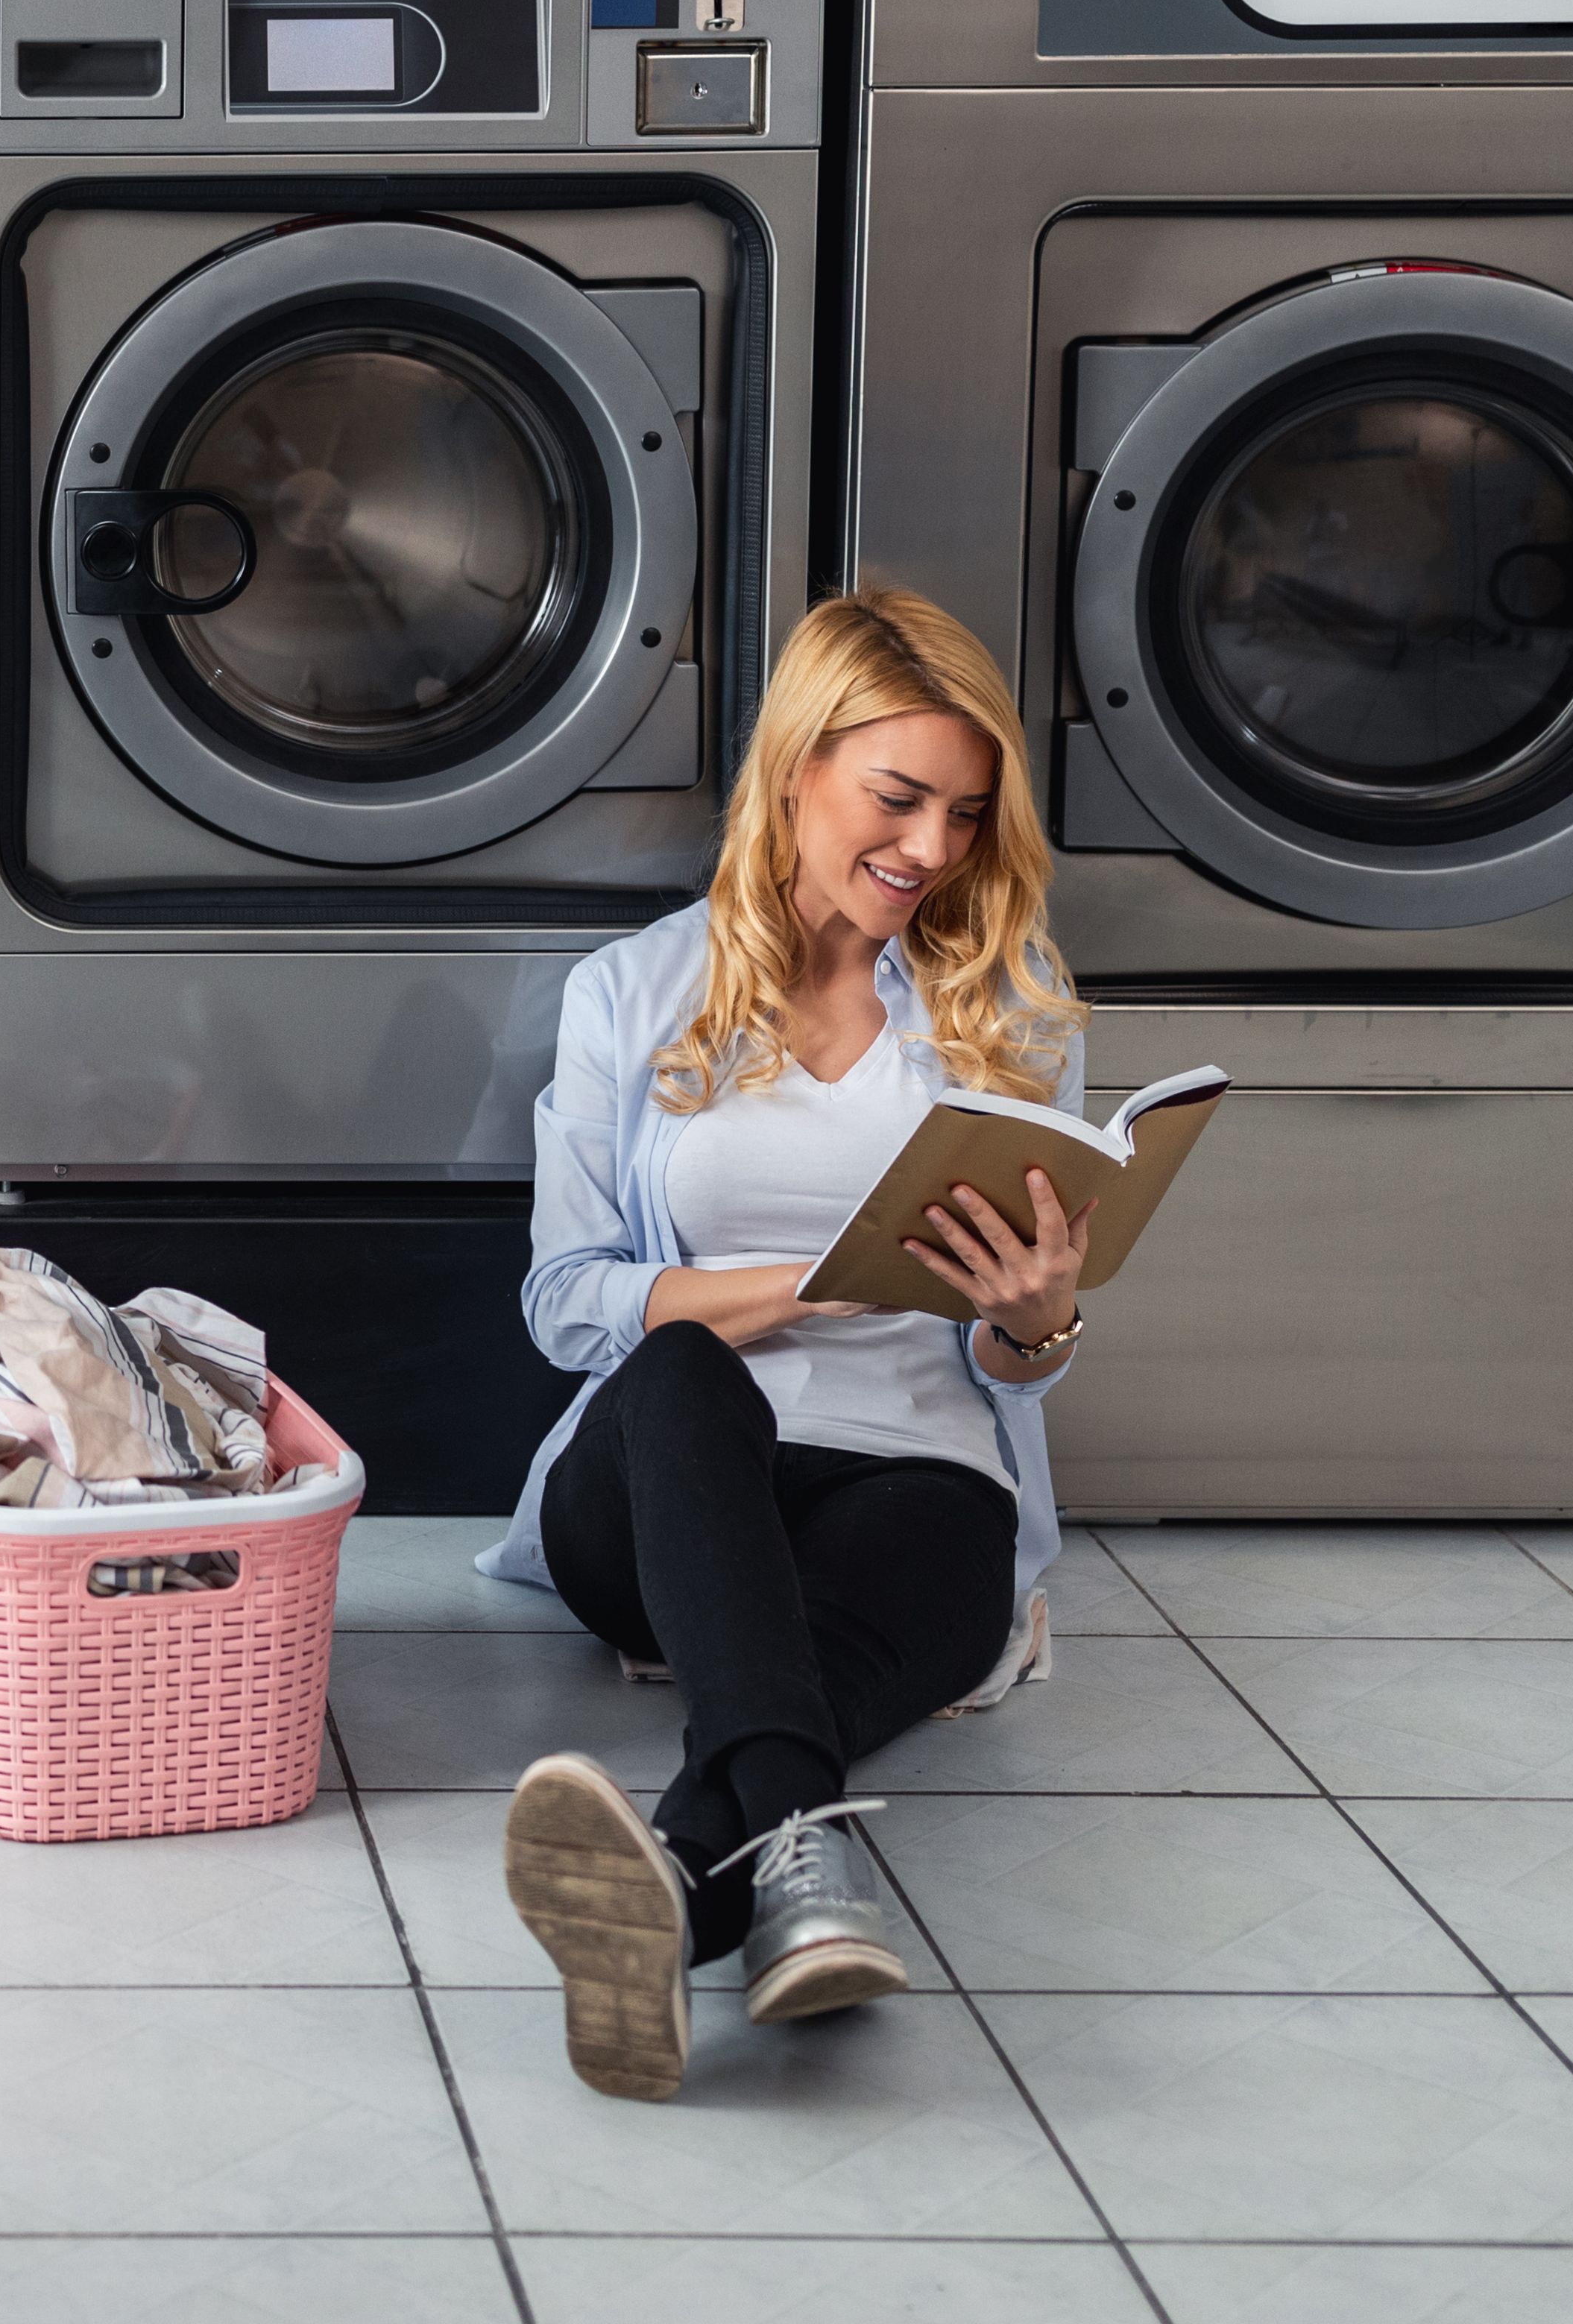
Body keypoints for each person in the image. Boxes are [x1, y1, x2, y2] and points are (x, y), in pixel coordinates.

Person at [479, 586, 1094, 2102]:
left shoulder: (1012, 1008)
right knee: (684, 1369)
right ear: (798, 766)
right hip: (667, 1481)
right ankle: (795, 1881)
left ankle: (707, 1874)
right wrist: (779, 1292)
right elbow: (568, 1301)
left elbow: (1026, 1366)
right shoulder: (634, 991)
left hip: (915, 1486)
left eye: (965, 813)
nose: (932, 851)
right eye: (898, 798)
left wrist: (1035, 1322)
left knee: (929, 1543)